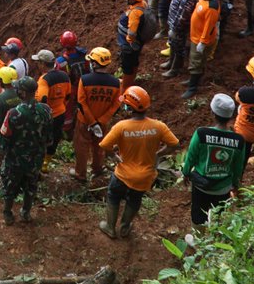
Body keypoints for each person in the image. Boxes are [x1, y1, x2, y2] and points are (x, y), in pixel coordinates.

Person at [98, 86, 179, 239]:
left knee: (113, 196)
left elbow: (104, 145)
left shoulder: (121, 127)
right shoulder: (158, 126)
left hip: (123, 174)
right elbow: (174, 144)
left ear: (129, 107)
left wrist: (113, 156)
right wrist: (158, 154)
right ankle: (124, 227)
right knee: (135, 199)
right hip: (145, 176)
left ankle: (110, 227)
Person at [182, 94, 248, 227]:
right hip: (223, 188)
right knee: (219, 216)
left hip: (201, 186)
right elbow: (238, 167)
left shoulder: (201, 133)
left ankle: (199, 242)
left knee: (198, 216)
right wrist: (235, 184)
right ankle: (215, 241)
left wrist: (186, 172)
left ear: (212, 113)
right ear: (231, 116)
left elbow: (191, 156)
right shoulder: (239, 141)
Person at [0, 77, 53, 224]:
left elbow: (4, 139)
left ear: (22, 92)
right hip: (36, 159)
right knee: (31, 186)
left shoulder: (13, 113)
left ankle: (8, 213)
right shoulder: (46, 110)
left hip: (15, 159)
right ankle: (26, 213)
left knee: (11, 186)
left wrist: (0, 156)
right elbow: (49, 139)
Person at [73, 47, 119, 183]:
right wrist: (100, 121)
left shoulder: (85, 80)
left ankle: (80, 174)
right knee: (99, 147)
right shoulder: (116, 83)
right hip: (103, 123)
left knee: (81, 147)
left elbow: (81, 103)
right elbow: (116, 106)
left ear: (94, 64)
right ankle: (97, 170)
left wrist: (92, 122)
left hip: (84, 121)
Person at [34, 49, 71, 172]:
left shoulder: (44, 79)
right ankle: (45, 165)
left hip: (47, 115)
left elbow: (42, 98)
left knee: (41, 140)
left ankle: (37, 165)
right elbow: (68, 95)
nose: (37, 65)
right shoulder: (65, 76)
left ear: (43, 64)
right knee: (54, 138)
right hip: (60, 112)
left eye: (38, 62)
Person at [185, 0, 221, 99]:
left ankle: (192, 87)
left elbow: (209, 26)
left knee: (196, 62)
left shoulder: (212, 7)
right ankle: (192, 80)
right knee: (195, 61)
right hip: (195, 36)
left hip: (200, 40)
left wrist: (203, 42)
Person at [117, 0, 148, 94]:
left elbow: (132, 32)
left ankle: (124, 91)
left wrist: (129, 40)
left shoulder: (135, 13)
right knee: (134, 63)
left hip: (129, 45)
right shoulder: (142, 5)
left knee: (127, 66)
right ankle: (130, 82)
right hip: (136, 44)